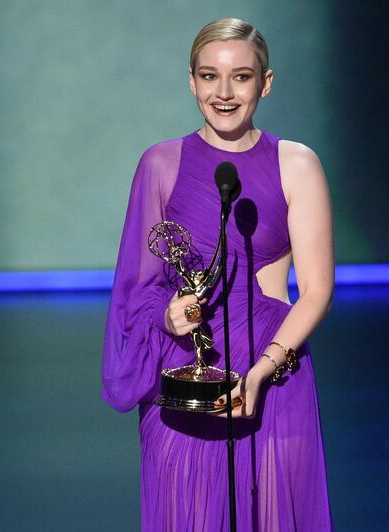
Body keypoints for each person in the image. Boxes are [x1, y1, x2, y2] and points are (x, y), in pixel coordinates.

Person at [102, 17, 333, 531]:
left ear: (266, 83)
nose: (223, 93)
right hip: (189, 377)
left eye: (241, 77)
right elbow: (135, 291)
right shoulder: (160, 165)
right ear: (191, 80)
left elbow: (316, 291)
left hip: (273, 375)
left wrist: (261, 372)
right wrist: (167, 314)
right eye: (209, 76)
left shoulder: (296, 164)